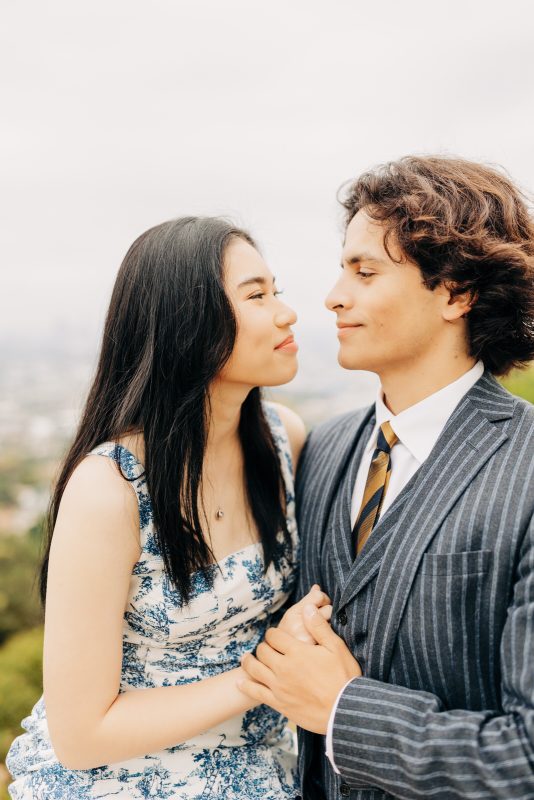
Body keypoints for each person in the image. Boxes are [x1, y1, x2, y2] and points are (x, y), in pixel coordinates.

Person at [239, 156, 534, 799]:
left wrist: (344, 710)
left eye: (365, 271)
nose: (333, 296)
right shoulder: (326, 448)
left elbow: (528, 760)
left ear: (456, 292)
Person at [6, 216, 330, 799]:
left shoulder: (286, 440)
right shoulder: (110, 489)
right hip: (121, 781)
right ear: (189, 324)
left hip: (264, 770)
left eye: (275, 290)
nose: (286, 312)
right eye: (256, 295)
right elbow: (80, 734)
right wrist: (261, 680)